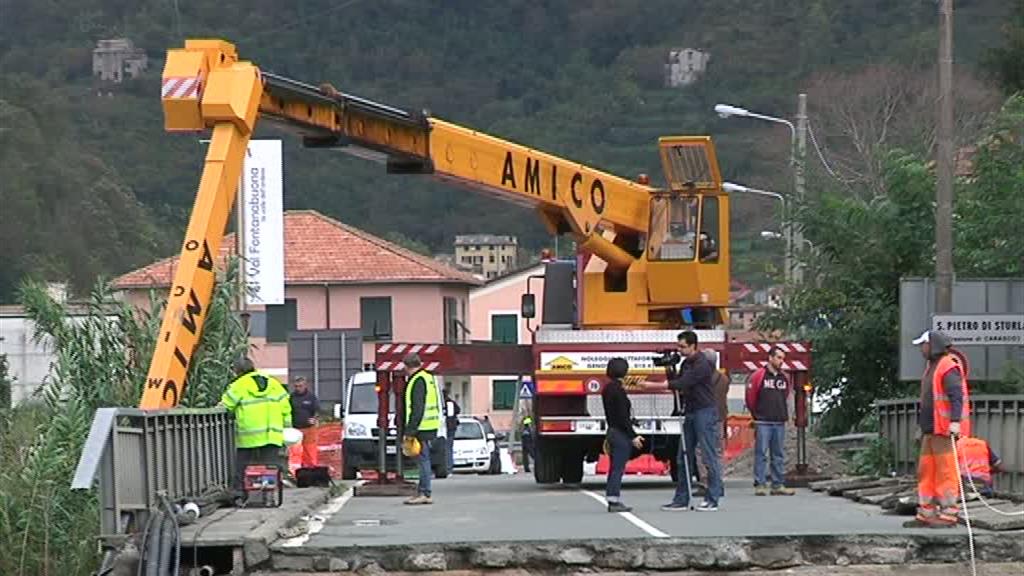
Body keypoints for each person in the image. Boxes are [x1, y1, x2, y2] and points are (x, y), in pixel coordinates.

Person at [645, 330, 723, 511]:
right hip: (691, 410)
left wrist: (654, 385)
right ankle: (681, 499)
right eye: (678, 346)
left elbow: (683, 383)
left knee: (708, 455)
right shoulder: (686, 363)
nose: (679, 350)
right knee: (682, 456)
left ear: (693, 346)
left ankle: (713, 497)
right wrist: (669, 370)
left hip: (704, 411)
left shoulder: (702, 364)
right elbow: (678, 383)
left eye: (683, 347)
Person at [904, 330, 971, 529]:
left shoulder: (948, 367)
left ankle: (949, 513)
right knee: (926, 472)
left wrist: (955, 422)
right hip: (931, 430)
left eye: (923, 345)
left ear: (932, 345)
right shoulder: (932, 367)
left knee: (945, 472)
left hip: (943, 430)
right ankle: (926, 512)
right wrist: (921, 427)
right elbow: (927, 401)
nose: (920, 349)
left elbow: (956, 396)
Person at [220, 357, 292, 493]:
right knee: (270, 467)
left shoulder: (239, 385)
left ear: (237, 371)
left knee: (243, 467)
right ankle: (267, 494)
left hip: (248, 436)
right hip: (272, 435)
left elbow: (225, 406)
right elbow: (286, 408)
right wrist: (286, 429)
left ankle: (242, 493)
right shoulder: (273, 383)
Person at [745, 346, 796, 496]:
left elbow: (786, 395)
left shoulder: (784, 377)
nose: (781, 361)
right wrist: (756, 414)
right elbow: (751, 397)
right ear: (770, 357)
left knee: (778, 454)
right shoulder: (758, 376)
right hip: (763, 421)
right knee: (761, 453)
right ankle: (760, 484)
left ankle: (777, 484)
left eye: (783, 358)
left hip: (779, 420)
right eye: (779, 358)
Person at [602, 357, 644, 513]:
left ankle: (612, 497)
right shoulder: (618, 390)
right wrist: (633, 435)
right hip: (620, 434)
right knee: (618, 468)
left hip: (612, 431)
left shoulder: (607, 389)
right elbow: (622, 417)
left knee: (614, 467)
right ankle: (614, 499)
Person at [402, 353, 442, 505]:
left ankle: (424, 492)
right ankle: (423, 491)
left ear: (407, 366)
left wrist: (410, 431)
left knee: (423, 460)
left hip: (421, 428)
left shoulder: (417, 381)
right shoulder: (428, 378)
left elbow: (417, 407)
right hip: (429, 426)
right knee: (424, 459)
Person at [289, 376, 320, 468]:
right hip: (295, 428)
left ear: (305, 385)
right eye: (296, 386)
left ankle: (311, 468)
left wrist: (314, 419)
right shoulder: (291, 397)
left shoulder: (311, 397)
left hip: (309, 428)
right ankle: (295, 470)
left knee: (310, 451)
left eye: (300, 386)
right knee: (295, 451)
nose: (298, 388)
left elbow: (317, 410)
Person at [443, 386, 461, 472]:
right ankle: (449, 467)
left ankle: (447, 467)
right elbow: (458, 410)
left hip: (444, 427)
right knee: (449, 447)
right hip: (451, 427)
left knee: (445, 448)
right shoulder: (451, 402)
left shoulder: (443, 403)